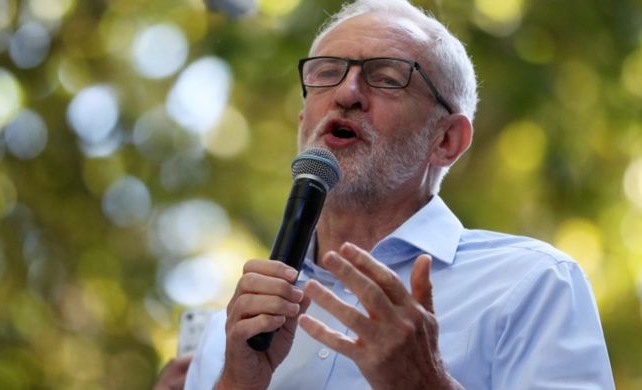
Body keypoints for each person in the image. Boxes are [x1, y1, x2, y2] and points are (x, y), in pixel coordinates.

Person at [174, 0, 615, 388]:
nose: (346, 93)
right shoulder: (229, 334)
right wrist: (237, 383)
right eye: (327, 73)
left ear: (447, 140)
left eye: (386, 78)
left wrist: (426, 385)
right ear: (303, 123)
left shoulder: (532, 285)